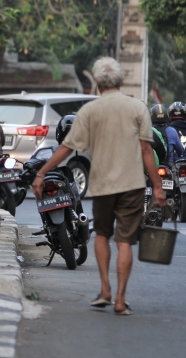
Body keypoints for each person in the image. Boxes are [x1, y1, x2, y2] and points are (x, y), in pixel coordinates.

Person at [32, 57, 165, 316]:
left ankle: (105, 290)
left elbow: (66, 148)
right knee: (125, 241)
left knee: (102, 235)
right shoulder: (137, 108)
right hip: (132, 184)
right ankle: (120, 299)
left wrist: (41, 172)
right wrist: (157, 187)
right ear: (120, 81)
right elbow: (146, 150)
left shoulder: (89, 111)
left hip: (103, 185)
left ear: (97, 83)